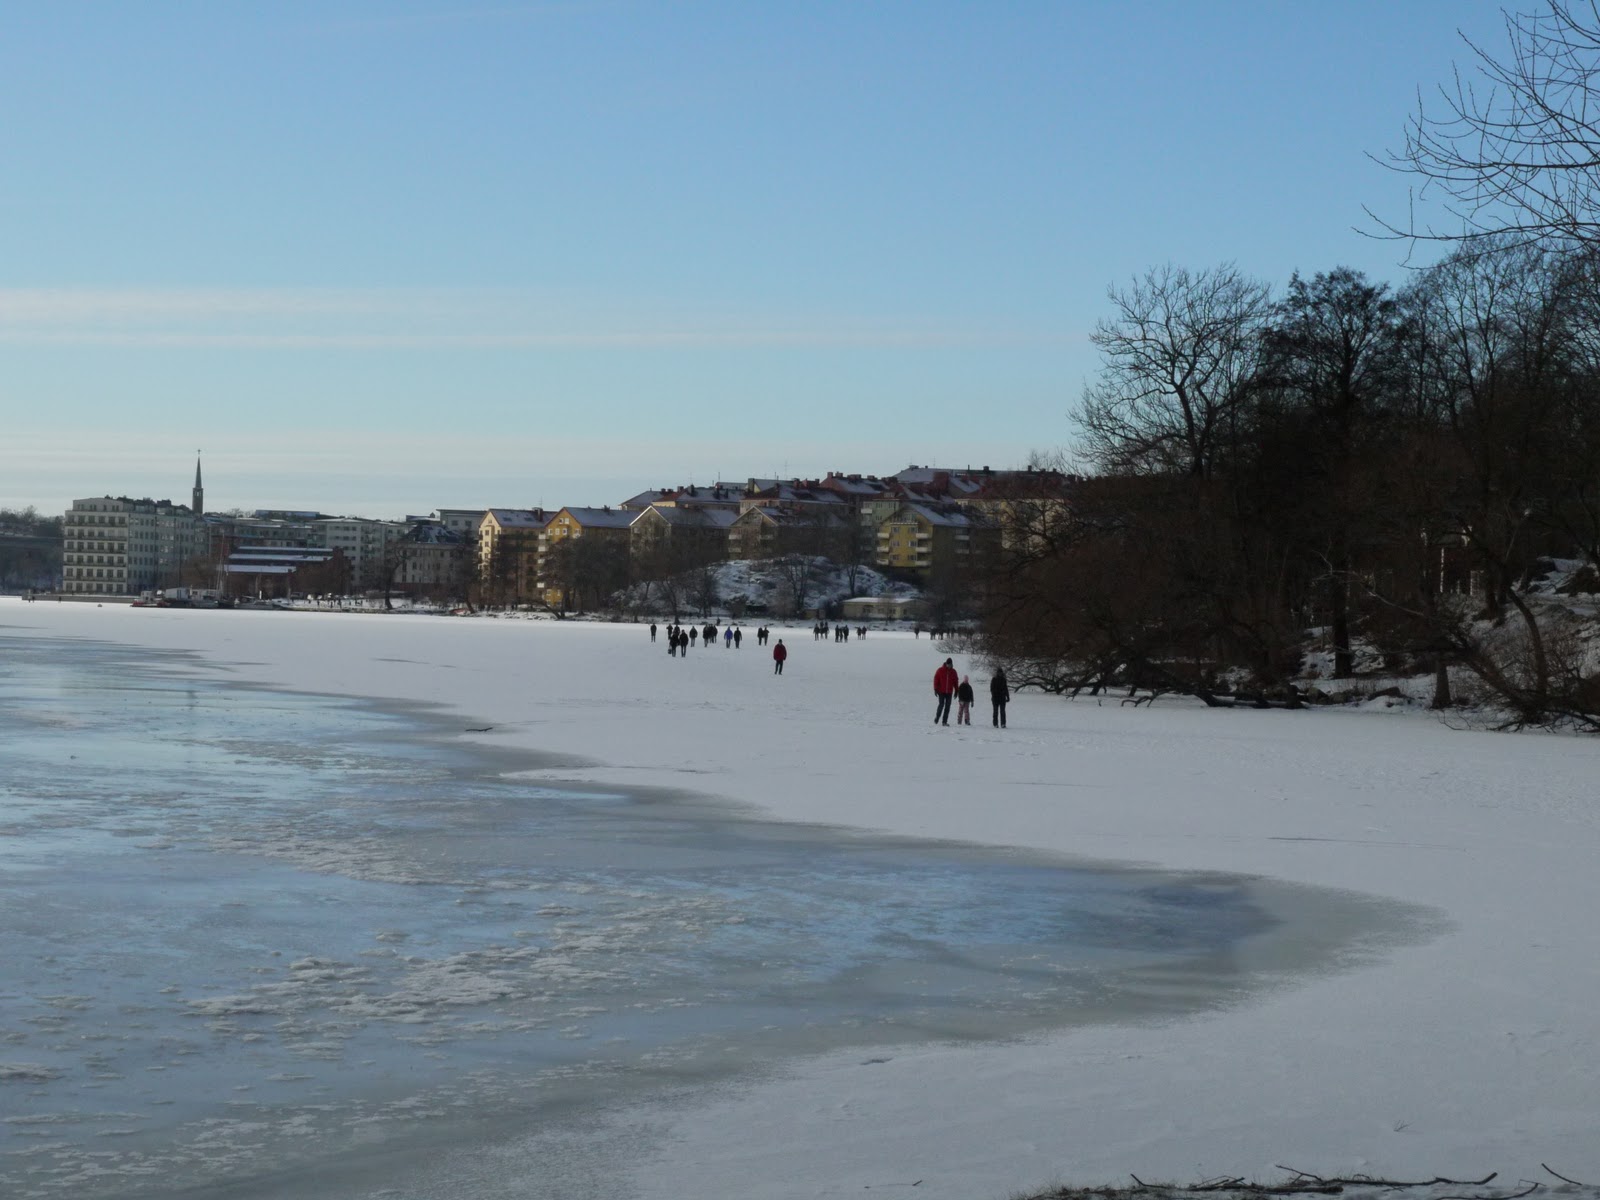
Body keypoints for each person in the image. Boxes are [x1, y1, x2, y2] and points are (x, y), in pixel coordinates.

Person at [933, 657, 959, 726]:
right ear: (946, 664)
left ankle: (944, 722)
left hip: (949, 692)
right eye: (948, 664)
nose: (949, 666)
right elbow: (936, 679)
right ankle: (937, 717)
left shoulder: (953, 672)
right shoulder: (940, 670)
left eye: (950, 664)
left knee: (947, 707)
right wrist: (935, 689)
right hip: (941, 691)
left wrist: (956, 690)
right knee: (941, 705)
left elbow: (956, 682)